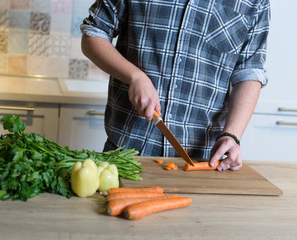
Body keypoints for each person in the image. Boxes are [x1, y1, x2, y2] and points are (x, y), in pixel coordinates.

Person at [80, 0, 270, 171]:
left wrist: (232, 136)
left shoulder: (254, 2)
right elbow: (93, 34)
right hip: (127, 151)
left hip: (204, 159)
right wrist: (135, 77)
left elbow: (249, 72)